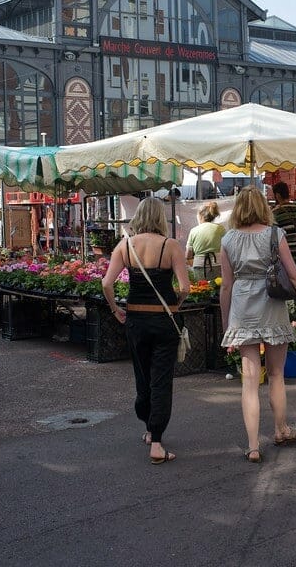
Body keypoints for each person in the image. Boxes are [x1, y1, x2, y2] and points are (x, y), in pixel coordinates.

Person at [218, 187, 296, 463]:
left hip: (242, 309)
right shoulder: (275, 235)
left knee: (249, 382)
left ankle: (253, 446)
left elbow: (226, 286)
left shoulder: (227, 239)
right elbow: (295, 276)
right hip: (271, 307)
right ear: (264, 207)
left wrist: (225, 320)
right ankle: (281, 429)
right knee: (276, 374)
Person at [102, 197, 191, 465]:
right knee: (161, 379)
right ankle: (157, 441)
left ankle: (148, 426)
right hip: (164, 321)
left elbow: (107, 283)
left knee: (142, 376)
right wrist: (176, 303)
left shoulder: (125, 245)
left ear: (138, 216)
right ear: (160, 218)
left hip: (136, 320)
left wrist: (115, 310)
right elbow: (185, 287)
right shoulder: (171, 245)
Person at [185, 201, 225, 278]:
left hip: (199, 265)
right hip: (217, 264)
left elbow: (188, 255)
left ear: (200, 216)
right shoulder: (220, 229)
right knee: (216, 288)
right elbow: (226, 249)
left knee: (201, 288)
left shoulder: (194, 230)